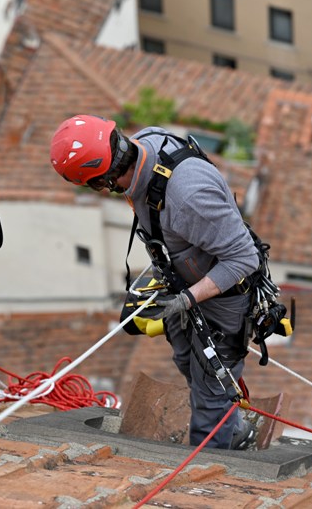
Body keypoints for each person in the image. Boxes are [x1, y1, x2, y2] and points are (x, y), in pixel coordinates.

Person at [49, 115, 260, 449]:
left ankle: (210, 466)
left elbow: (244, 259)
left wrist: (189, 298)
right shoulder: (146, 141)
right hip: (183, 281)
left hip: (223, 295)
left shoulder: (188, 197)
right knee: (186, 361)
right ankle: (232, 425)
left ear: (103, 179)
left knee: (210, 392)